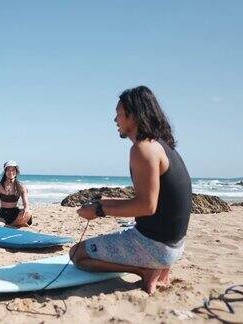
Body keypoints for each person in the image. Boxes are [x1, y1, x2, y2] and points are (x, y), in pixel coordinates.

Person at [70, 86, 192, 295]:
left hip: (155, 247)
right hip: (173, 246)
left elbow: (147, 206)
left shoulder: (142, 149)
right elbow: (152, 200)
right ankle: (153, 266)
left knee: (77, 254)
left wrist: (99, 211)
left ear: (133, 115)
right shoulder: (162, 146)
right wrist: (104, 201)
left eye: (118, 113)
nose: (115, 119)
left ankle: (143, 270)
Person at [0, 160, 32, 228]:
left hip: (15, 213)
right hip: (3, 213)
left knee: (28, 213)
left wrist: (26, 208)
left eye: (13, 170)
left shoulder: (21, 187)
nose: (11, 172)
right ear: (5, 171)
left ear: (16, 171)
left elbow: (26, 204)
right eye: (8, 170)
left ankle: (10, 225)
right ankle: (13, 224)